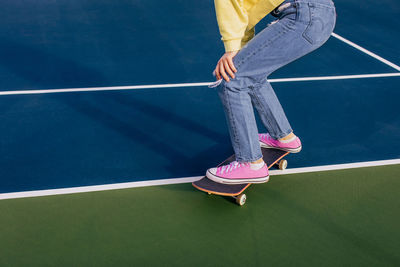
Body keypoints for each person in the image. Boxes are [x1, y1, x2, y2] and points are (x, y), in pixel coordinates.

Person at [206, 0, 336, 184]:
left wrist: (232, 49)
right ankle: (283, 136)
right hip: (322, 14)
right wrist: (242, 51)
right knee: (252, 74)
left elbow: (231, 6)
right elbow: (246, 11)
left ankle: (250, 164)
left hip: (302, 15)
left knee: (233, 80)